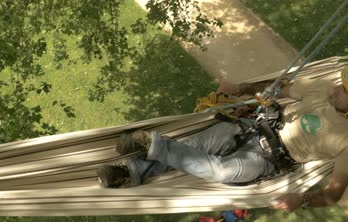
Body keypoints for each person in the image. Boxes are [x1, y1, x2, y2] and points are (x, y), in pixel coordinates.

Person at [97, 67, 348, 212]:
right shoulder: (324, 88)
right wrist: (241, 88)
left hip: (270, 159)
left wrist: (302, 199)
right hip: (252, 126)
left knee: (220, 171)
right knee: (191, 148)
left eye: (345, 89)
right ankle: (130, 171)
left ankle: (149, 146)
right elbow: (278, 88)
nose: (339, 86)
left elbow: (333, 195)